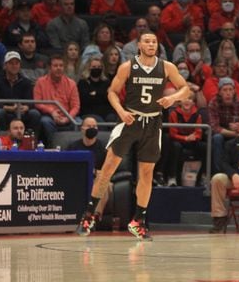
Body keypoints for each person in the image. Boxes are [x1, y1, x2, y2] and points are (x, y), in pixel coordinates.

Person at [76, 32, 191, 240]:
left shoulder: (167, 67)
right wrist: (121, 112)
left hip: (153, 122)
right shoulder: (127, 66)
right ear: (139, 45)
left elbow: (186, 89)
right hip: (130, 120)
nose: (151, 44)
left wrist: (172, 98)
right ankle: (88, 215)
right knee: (108, 168)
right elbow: (111, 91)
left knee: (146, 173)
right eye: (147, 41)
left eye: (154, 41)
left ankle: (138, 220)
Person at [67, 117, 109, 222]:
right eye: (89, 126)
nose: (92, 128)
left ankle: (94, 217)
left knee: (103, 184)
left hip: (97, 179)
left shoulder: (103, 147)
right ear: (82, 128)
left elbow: (108, 169)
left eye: (94, 126)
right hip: (78, 178)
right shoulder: (73, 146)